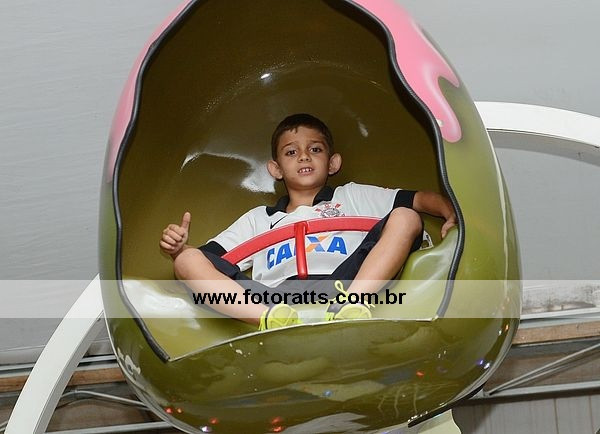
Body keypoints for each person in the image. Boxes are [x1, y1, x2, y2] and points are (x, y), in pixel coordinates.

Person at [159, 114, 456, 330]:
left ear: (333, 162)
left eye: (315, 149)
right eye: (291, 152)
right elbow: (207, 261)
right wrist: (178, 249)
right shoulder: (258, 218)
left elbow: (419, 200)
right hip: (274, 300)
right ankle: (267, 321)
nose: (303, 157)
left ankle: (353, 305)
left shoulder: (352, 195)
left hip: (343, 285)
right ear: (276, 169)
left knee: (406, 216)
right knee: (186, 260)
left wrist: (449, 210)